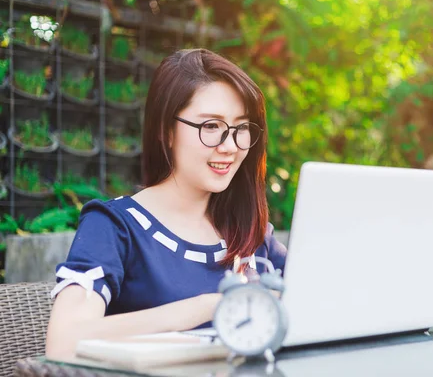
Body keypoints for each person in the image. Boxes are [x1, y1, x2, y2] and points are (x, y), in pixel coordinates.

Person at [45, 48, 287, 359]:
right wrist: (211, 306)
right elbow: (63, 343)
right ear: (166, 131)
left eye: (241, 128)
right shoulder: (115, 227)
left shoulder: (251, 233)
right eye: (210, 126)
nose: (229, 146)